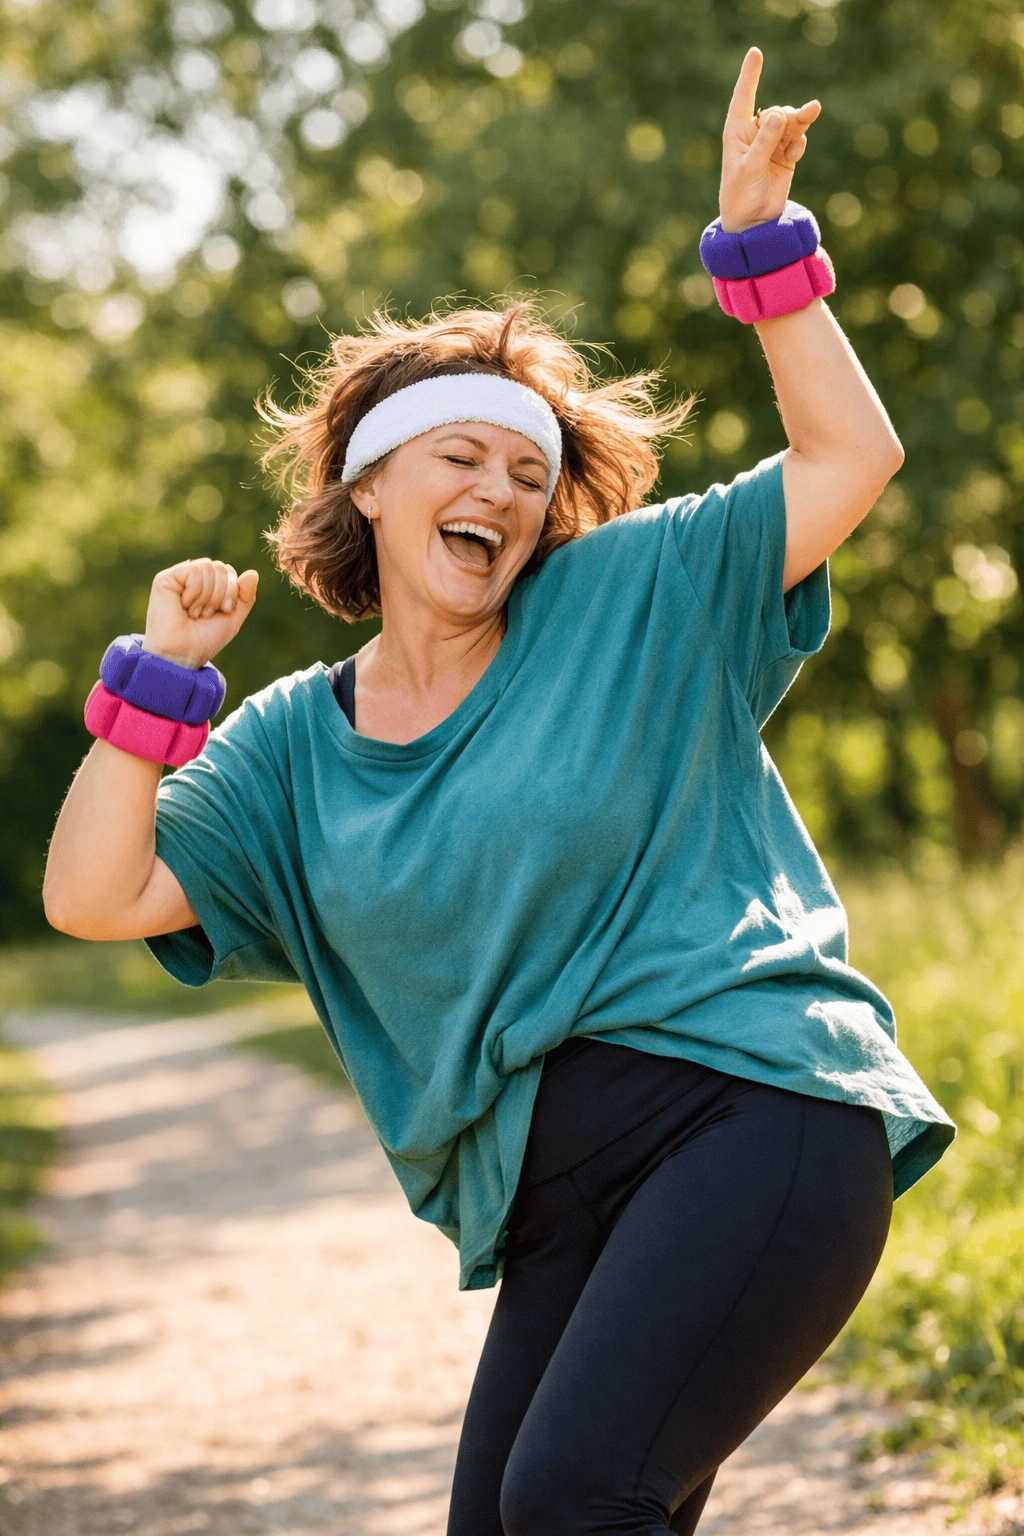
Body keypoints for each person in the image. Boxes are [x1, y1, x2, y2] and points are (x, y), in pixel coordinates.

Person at [45, 46, 954, 1536]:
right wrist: (153, 693)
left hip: (757, 1108)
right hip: (554, 1204)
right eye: (460, 457)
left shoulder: (630, 595)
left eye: (528, 474)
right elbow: (91, 896)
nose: (503, 495)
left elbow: (850, 453)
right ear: (372, 488)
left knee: (576, 1504)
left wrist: (761, 245)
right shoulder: (286, 747)